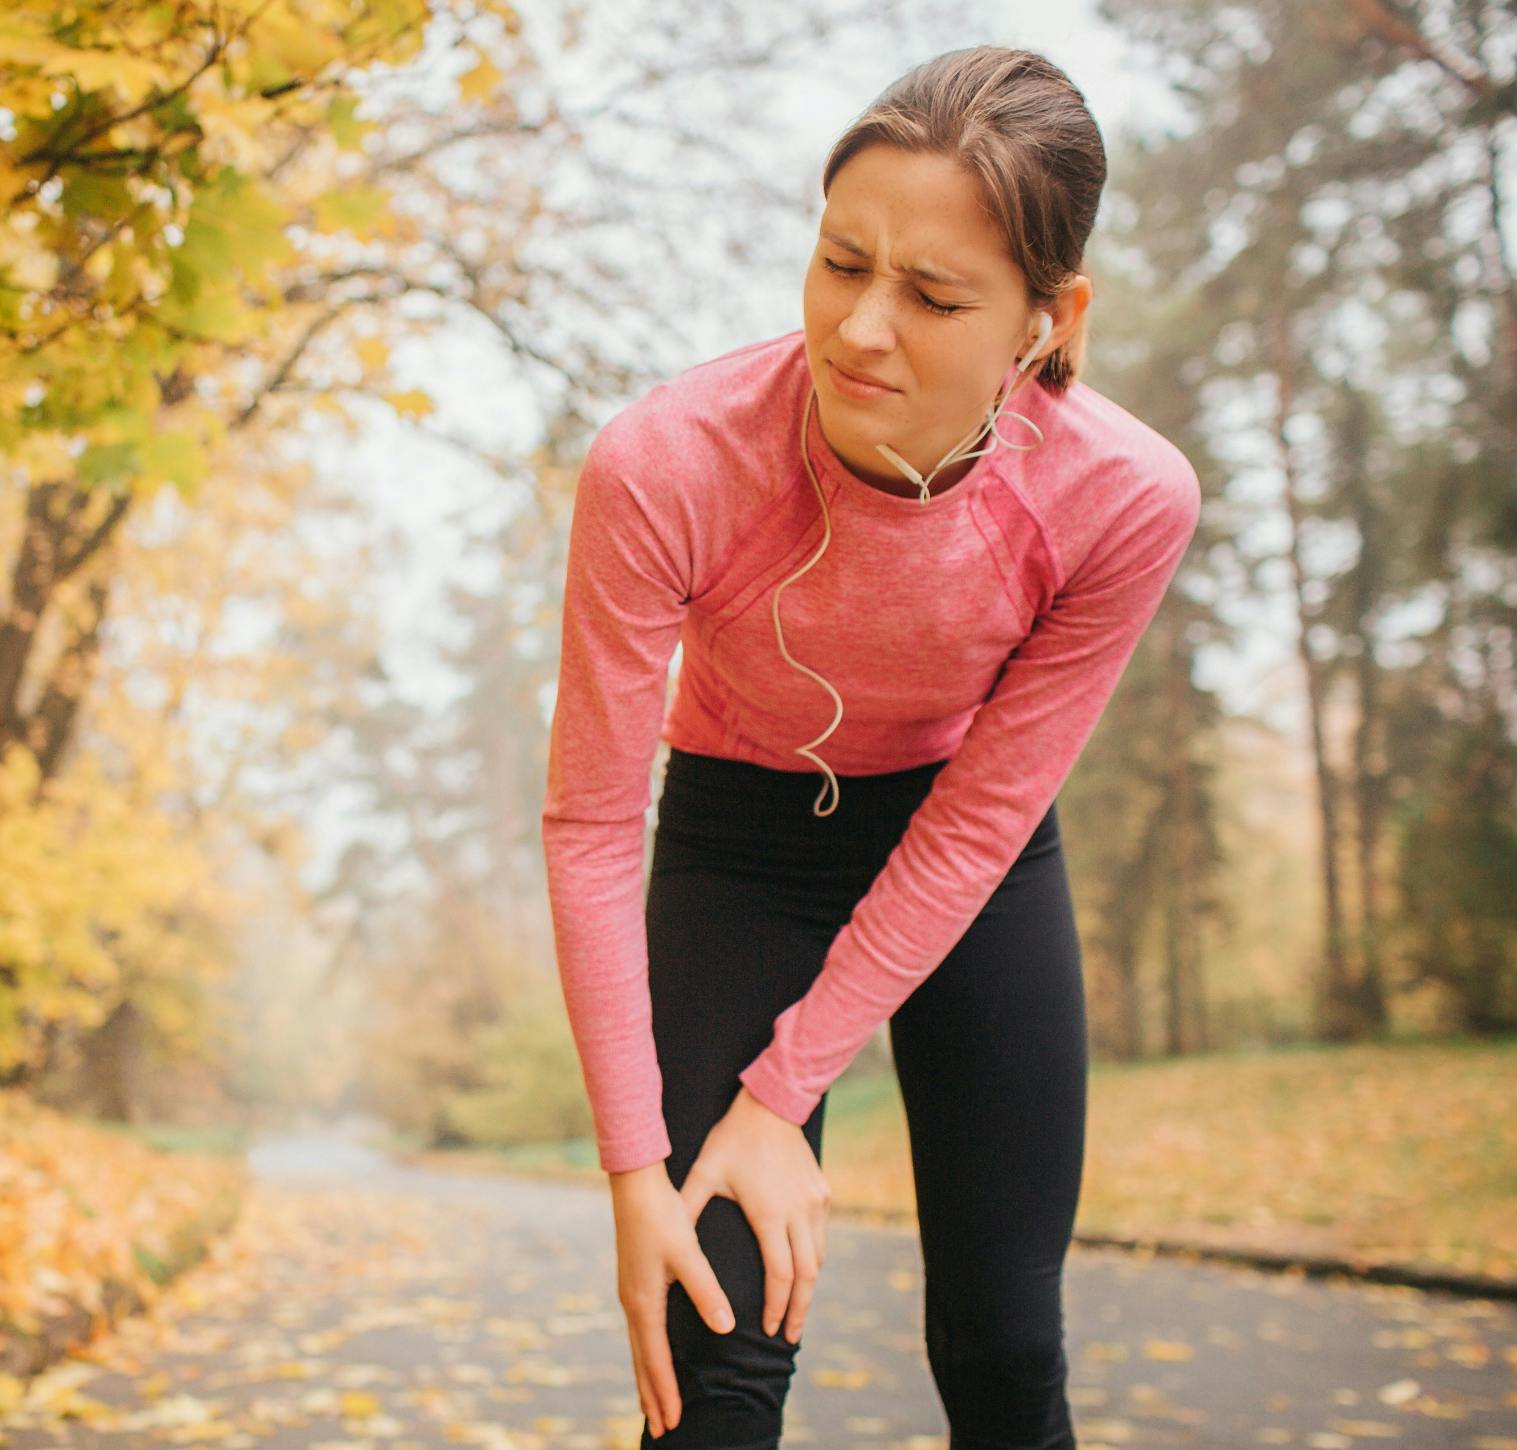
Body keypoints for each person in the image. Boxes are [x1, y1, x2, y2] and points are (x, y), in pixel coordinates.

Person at [539, 45, 1203, 1450]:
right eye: (841, 263)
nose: (859, 329)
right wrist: (636, 1172)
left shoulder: (1123, 498)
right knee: (711, 1370)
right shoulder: (664, 465)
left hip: (969, 857)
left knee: (1006, 1347)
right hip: (736, 848)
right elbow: (592, 824)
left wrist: (783, 1094)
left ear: (1047, 317)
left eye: (934, 295)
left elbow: (978, 824)